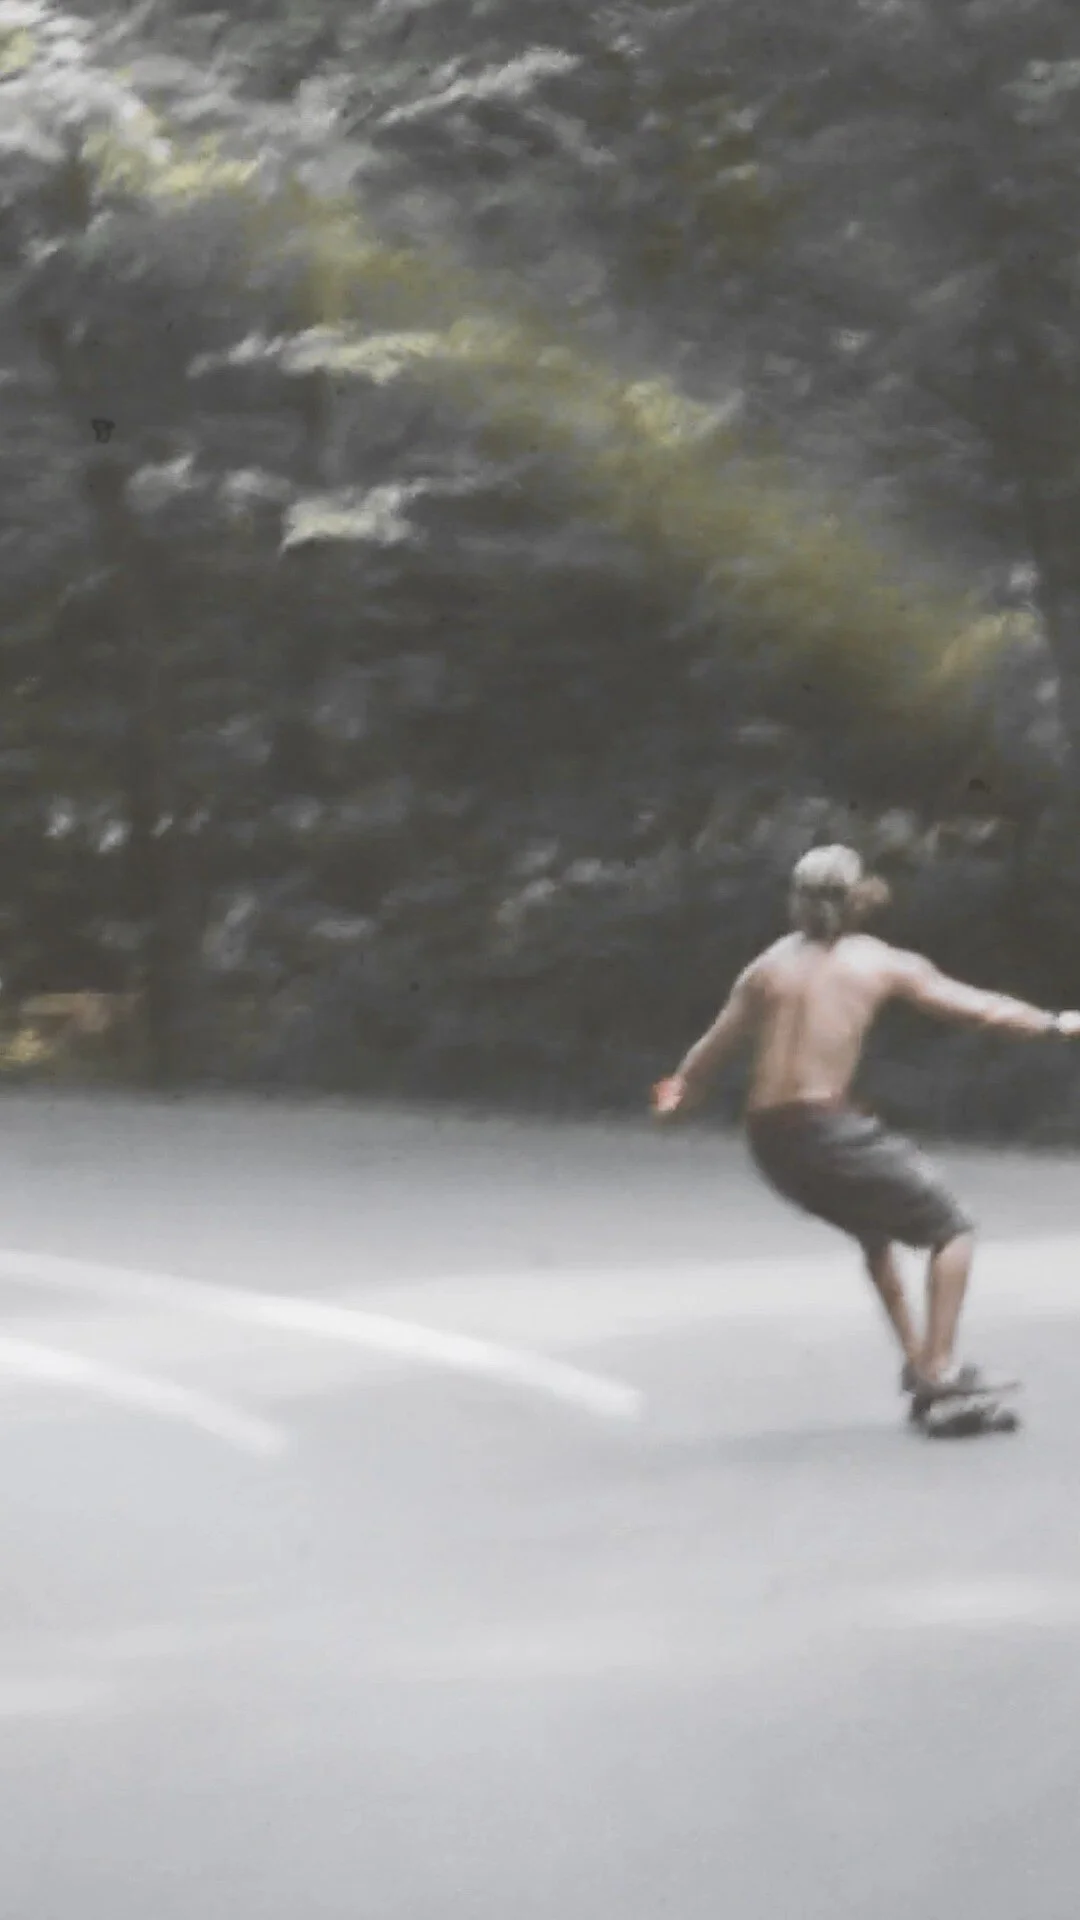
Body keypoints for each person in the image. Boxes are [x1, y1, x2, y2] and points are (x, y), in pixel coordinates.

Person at [653, 844, 1080, 1412]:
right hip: (824, 1127)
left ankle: (919, 1365)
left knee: (875, 1233)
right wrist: (1056, 1024)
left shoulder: (768, 966)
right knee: (952, 1229)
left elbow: (704, 1058)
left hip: (769, 1137)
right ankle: (940, 1369)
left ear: (795, 901)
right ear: (859, 899)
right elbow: (976, 1009)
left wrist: (672, 1100)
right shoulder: (876, 961)